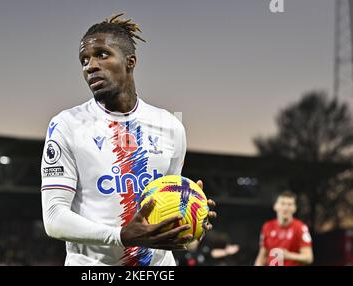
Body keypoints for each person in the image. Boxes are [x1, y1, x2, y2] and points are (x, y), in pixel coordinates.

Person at [40, 13, 216, 266]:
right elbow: (54, 218)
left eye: (101, 54)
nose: (90, 66)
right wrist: (120, 236)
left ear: (130, 61)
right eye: (84, 60)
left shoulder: (170, 126)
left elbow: (168, 201)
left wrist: (191, 211)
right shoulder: (67, 125)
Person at [254, 191, 313, 266]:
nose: (285, 208)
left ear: (294, 208)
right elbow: (262, 255)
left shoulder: (300, 227)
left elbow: (309, 258)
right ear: (275, 206)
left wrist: (289, 255)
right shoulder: (267, 226)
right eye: (282, 204)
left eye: (289, 204)